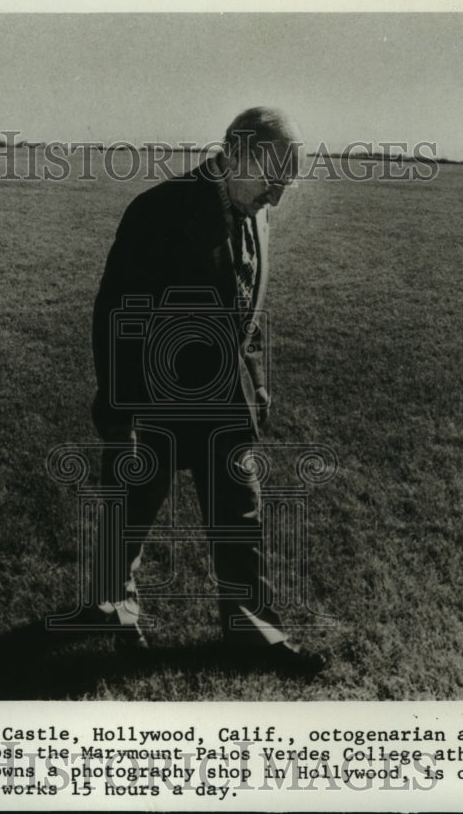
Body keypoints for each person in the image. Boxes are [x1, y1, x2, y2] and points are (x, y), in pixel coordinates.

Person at [90, 107, 324, 675]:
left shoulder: (255, 213)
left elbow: (248, 306)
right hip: (160, 400)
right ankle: (114, 604)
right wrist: (120, 409)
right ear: (238, 157)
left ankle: (248, 627)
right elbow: (117, 313)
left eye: (287, 186)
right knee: (133, 510)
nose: (277, 199)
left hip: (229, 402)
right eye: (273, 183)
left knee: (240, 516)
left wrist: (258, 384)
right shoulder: (158, 210)